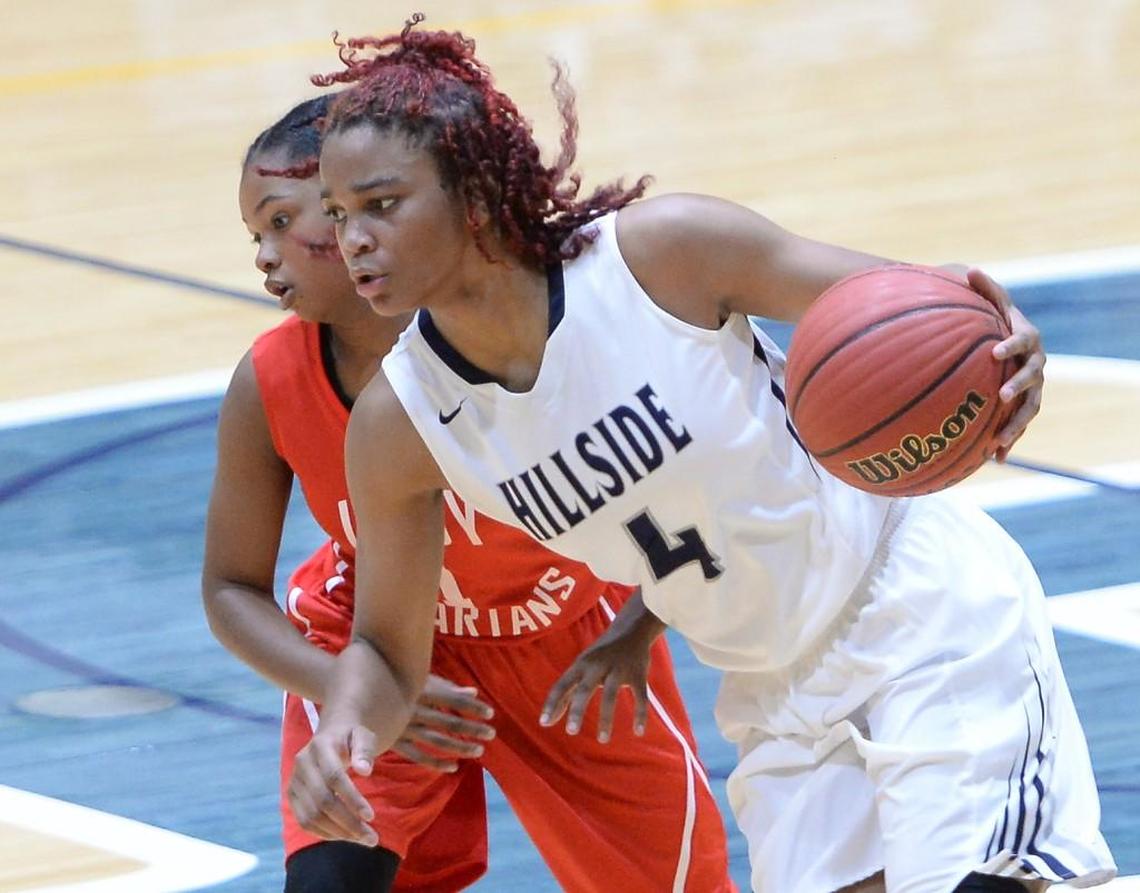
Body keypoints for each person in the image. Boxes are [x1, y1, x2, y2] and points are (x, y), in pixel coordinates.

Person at [287, 15, 1119, 893]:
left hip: (918, 607)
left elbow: (922, 305)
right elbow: (385, 649)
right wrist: (343, 729)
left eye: (382, 204)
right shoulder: (399, 426)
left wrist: (1005, 339)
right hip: (773, 689)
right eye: (338, 215)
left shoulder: (661, 256)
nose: (353, 240)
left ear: (478, 196)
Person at [203, 93, 737, 893]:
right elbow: (228, 585)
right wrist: (347, 691)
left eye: (283, 221)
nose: (264, 255)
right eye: (256, 233)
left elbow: (700, 490)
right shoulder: (271, 379)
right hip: (371, 642)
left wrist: (636, 628)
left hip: (567, 648)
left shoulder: (517, 336)